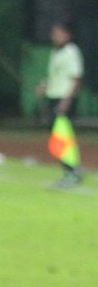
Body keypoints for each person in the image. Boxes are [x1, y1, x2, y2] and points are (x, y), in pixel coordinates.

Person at [37, 21, 84, 187]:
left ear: (67, 35)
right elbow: (56, 76)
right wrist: (45, 86)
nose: (55, 36)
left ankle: (72, 171)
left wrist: (67, 100)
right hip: (54, 97)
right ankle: (70, 170)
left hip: (64, 100)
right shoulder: (56, 52)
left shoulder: (71, 51)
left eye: (59, 33)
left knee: (63, 137)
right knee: (57, 136)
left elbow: (76, 78)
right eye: (54, 33)